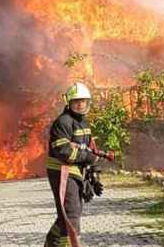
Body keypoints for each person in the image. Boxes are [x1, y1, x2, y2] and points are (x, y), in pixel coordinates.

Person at [44, 82, 100, 247]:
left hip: (76, 171)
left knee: (67, 215)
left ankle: (51, 244)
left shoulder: (84, 124)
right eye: (76, 101)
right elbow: (63, 151)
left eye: (83, 101)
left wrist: (94, 174)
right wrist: (86, 157)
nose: (80, 104)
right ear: (68, 102)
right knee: (71, 214)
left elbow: (91, 149)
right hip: (62, 171)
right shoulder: (62, 123)